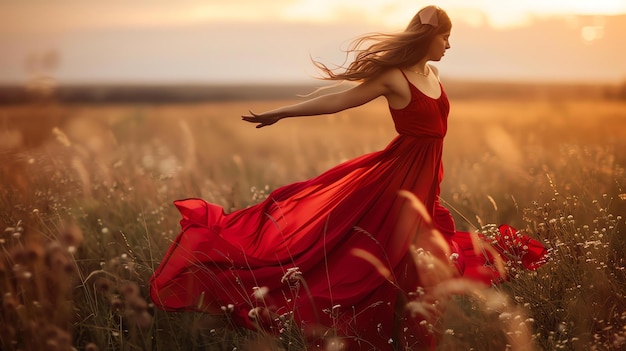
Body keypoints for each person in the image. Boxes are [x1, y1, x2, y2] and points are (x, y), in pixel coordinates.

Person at [150, 5, 548, 350]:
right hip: (399, 178)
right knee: (384, 253)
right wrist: (281, 113)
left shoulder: (431, 73)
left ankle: (409, 327)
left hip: (426, 177)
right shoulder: (395, 76)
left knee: (419, 254)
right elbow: (338, 101)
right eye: (445, 37)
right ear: (428, 37)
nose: (449, 45)